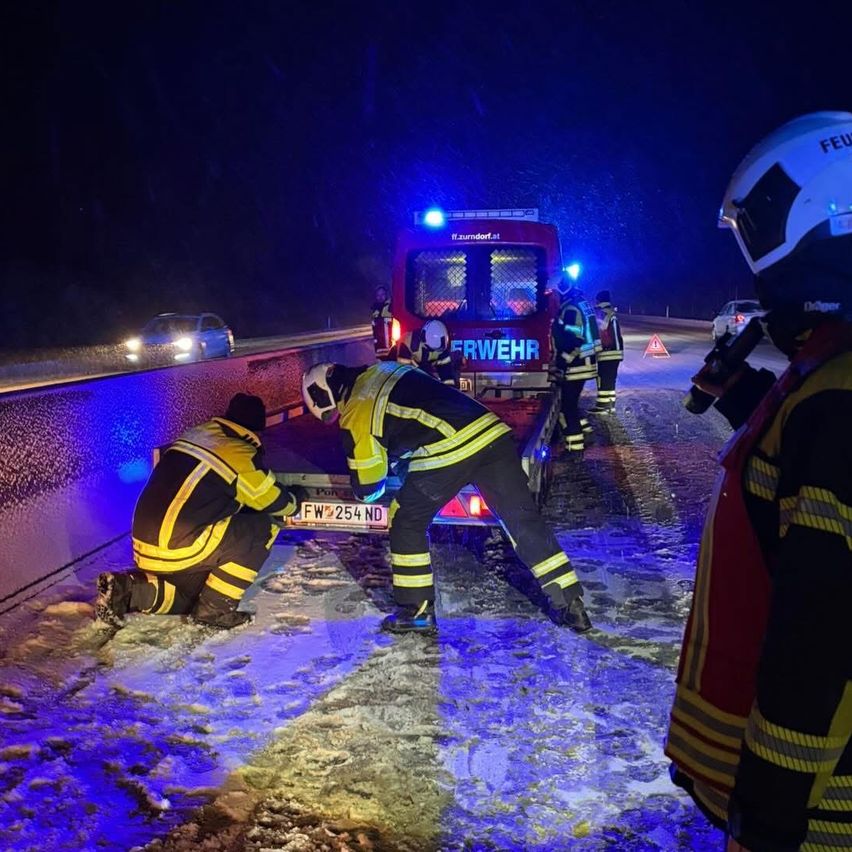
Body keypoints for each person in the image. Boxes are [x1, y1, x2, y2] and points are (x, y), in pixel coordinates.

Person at [665, 112, 852, 852]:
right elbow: (791, 473)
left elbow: (822, 629)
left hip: (819, 814)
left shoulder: (840, 396)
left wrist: (770, 812)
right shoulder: (828, 380)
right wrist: (745, 395)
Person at [301, 360, 592, 634]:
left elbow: (369, 488)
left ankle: (416, 612)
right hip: (490, 433)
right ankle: (571, 604)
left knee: (406, 521)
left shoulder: (355, 410)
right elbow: (419, 409)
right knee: (522, 521)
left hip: (448, 447)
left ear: (322, 396)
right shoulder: (384, 370)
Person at [95, 393, 305, 630]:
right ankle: (215, 612)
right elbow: (271, 501)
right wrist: (295, 500)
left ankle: (126, 591)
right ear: (257, 430)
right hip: (180, 545)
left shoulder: (195, 435)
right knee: (259, 528)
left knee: (189, 596)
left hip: (144, 546)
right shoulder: (238, 451)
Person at [549, 279, 598, 451]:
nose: (552, 297)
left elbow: (574, 339)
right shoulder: (580, 303)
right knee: (572, 402)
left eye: (553, 293)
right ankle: (587, 432)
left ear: (561, 291)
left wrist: (562, 361)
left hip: (576, 365)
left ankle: (574, 447)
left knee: (568, 406)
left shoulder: (570, 309)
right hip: (584, 363)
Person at [387, 318, 459, 386]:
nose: (437, 352)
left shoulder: (441, 348)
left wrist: (450, 390)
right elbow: (403, 373)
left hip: (422, 369)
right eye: (433, 350)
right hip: (393, 369)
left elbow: (446, 371)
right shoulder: (407, 344)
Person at [589, 290, 624, 415]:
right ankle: (608, 406)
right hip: (611, 354)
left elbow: (605, 335)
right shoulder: (608, 314)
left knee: (605, 380)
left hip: (607, 354)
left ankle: (604, 407)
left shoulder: (604, 315)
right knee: (608, 380)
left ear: (598, 301)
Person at [371, 285, 394, 358]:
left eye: (382, 294)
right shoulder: (374, 309)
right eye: (378, 295)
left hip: (389, 344)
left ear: (386, 295)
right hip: (378, 345)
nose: (380, 297)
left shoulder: (391, 306)